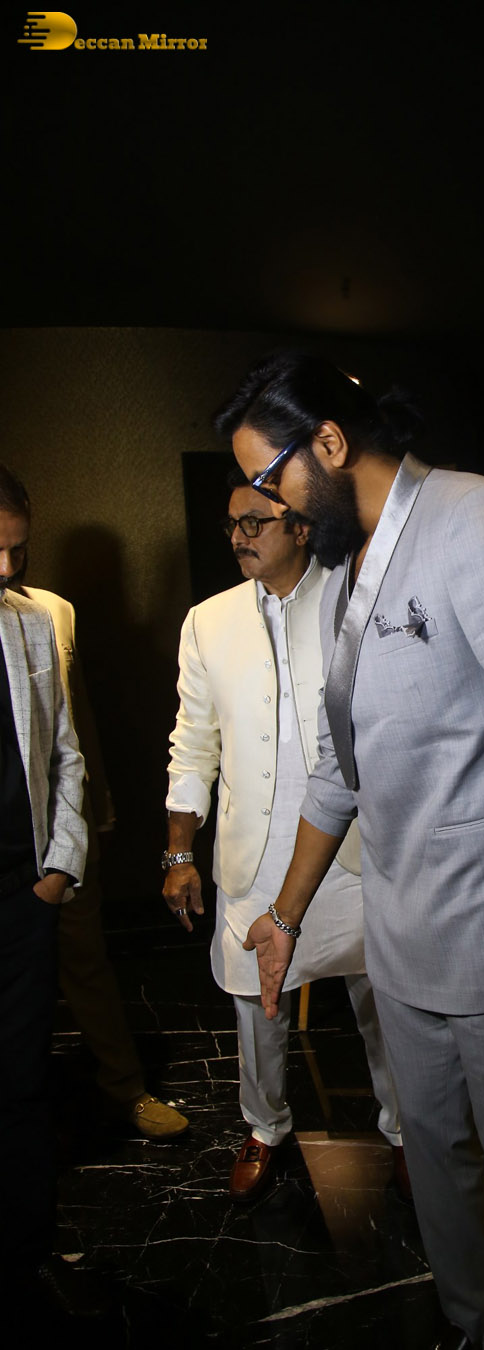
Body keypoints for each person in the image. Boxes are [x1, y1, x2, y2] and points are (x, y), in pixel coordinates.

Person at [216, 351, 484, 1350]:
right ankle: (471, 1322)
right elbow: (340, 768)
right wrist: (284, 915)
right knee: (440, 1173)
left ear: (328, 442)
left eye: (268, 480)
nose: (268, 507)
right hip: (401, 944)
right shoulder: (345, 572)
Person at [163, 472, 403, 1201]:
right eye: (231, 525)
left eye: (254, 523)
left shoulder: (354, 598)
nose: (238, 538)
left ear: (300, 526)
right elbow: (192, 744)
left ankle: (405, 1128)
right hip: (255, 851)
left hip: (354, 846)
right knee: (255, 1003)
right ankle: (265, 1125)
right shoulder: (207, 621)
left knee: (383, 1001)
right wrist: (179, 850)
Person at [4, 469, 188, 1141]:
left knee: (86, 961)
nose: (8, 566)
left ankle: (125, 1087)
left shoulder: (47, 614)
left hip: (57, 830)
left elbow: (71, 727)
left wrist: (90, 820)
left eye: (18, 549)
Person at [0, 467, 89, 1300]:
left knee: (24, 1080)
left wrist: (59, 867)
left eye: (17, 551)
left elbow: (64, 752)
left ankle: (31, 1251)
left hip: (21, 899)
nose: (5, 568)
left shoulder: (31, 623)